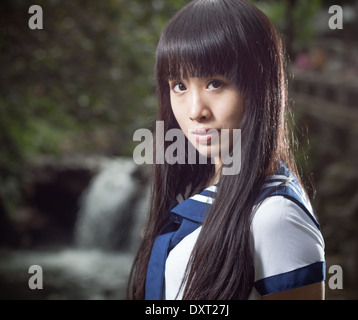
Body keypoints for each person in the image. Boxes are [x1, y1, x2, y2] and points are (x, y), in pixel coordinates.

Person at [127, 0, 325, 300]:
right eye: (179, 86)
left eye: (215, 83)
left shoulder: (275, 217)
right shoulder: (195, 183)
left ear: (260, 88)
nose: (195, 111)